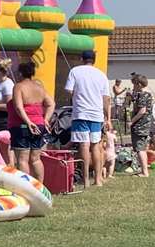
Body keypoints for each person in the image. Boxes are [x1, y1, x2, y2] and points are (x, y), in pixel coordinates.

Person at [64, 51, 112, 187]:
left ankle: (85, 179)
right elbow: (106, 98)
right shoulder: (101, 75)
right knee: (95, 145)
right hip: (96, 114)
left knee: (83, 145)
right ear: (94, 60)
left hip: (81, 113)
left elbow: (69, 90)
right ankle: (97, 179)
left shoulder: (75, 71)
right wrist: (108, 118)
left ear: (81, 59)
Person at [7, 59, 54, 181]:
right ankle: (40, 188)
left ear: (21, 73)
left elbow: (18, 106)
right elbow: (51, 104)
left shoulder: (19, 86)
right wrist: (46, 119)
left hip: (22, 126)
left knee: (22, 159)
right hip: (39, 125)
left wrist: (28, 122)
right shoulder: (39, 87)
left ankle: (26, 189)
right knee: (36, 159)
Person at [125, 74, 154, 177]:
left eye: (134, 85)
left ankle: (144, 172)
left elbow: (142, 111)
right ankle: (144, 170)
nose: (133, 87)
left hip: (140, 126)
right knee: (142, 148)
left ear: (139, 84)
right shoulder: (147, 94)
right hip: (146, 125)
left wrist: (131, 121)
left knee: (140, 148)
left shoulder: (142, 95)